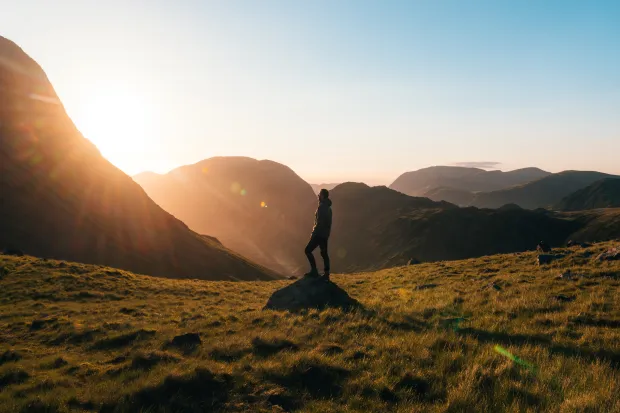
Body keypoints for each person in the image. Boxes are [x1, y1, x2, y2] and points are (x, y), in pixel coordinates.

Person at [305, 188, 332, 280]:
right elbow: (328, 223)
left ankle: (314, 271)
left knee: (307, 250)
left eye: (319, 194)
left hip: (319, 234)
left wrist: (313, 233)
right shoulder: (328, 208)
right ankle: (327, 273)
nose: (318, 196)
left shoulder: (321, 207)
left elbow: (319, 223)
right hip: (325, 235)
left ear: (323, 196)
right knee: (324, 253)